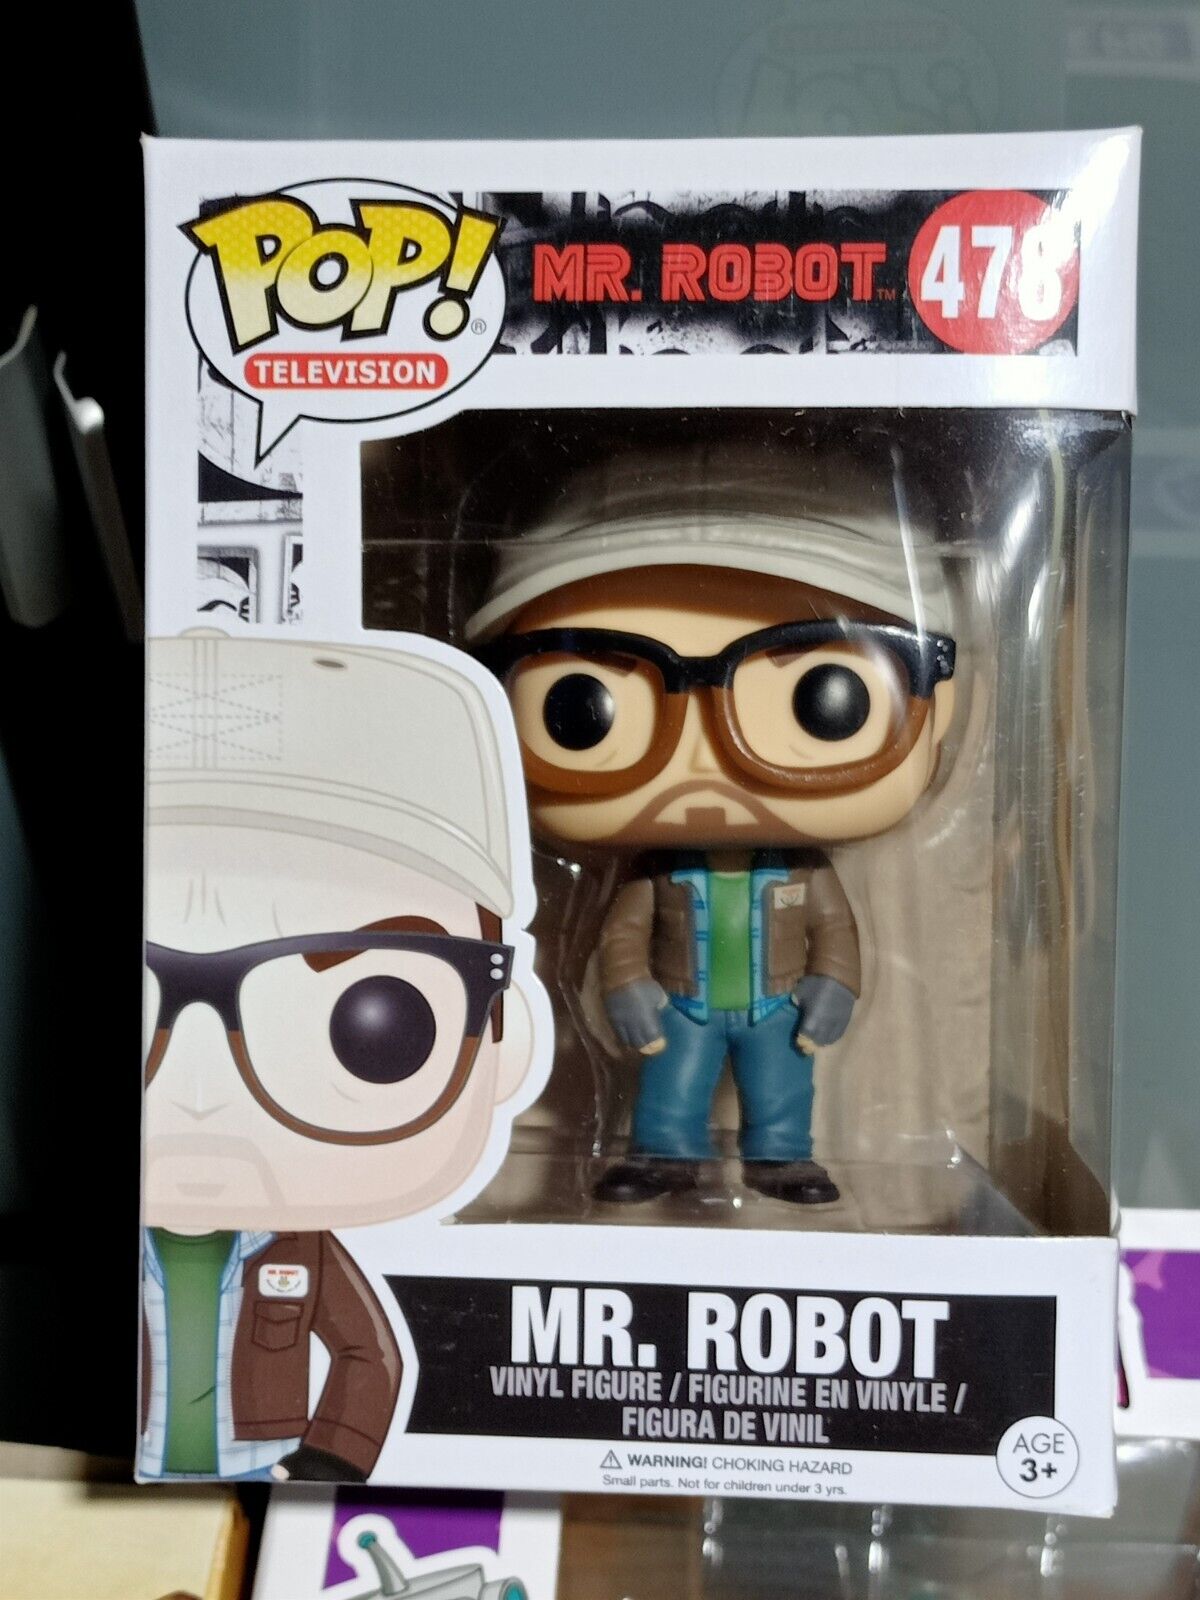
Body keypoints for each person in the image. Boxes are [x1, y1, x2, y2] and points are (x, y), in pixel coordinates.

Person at [471, 445, 956, 1206]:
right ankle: (664, 1155)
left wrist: (835, 983)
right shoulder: (655, 874)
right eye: (581, 707)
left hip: (776, 1004)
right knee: (672, 1086)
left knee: (782, 1087)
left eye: (824, 699)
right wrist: (626, 987)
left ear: (939, 708)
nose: (703, 758)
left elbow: (834, 930)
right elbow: (623, 935)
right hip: (684, 1005)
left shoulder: (804, 872)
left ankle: (781, 1157)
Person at [140, 632, 540, 1479]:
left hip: (263, 1467)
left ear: (506, 1035)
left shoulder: (302, 1249)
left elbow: (368, 1355)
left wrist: (333, 1462)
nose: (204, 1097)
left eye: (379, 1026)